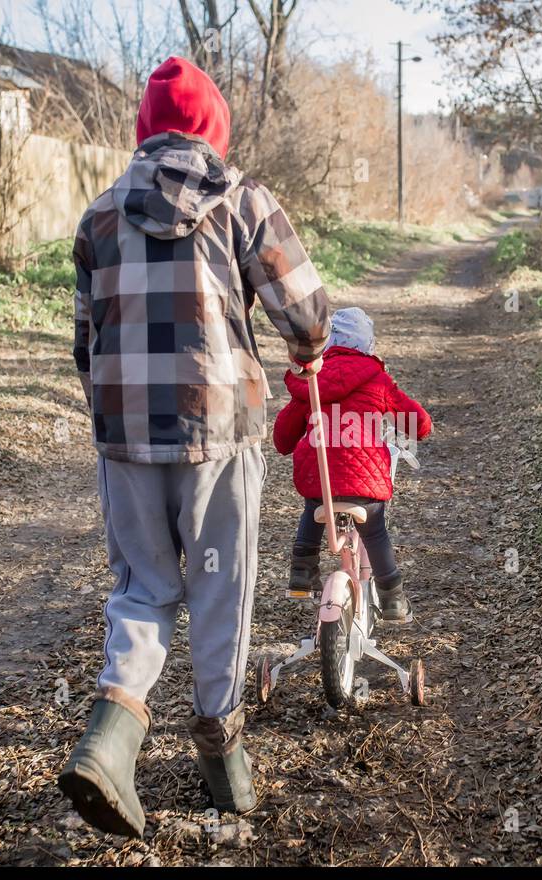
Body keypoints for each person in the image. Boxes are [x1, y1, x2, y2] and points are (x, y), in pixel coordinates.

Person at [59, 56, 330, 836]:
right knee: (220, 589)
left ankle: (111, 739)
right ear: (214, 129)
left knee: (143, 589)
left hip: (124, 439)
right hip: (218, 433)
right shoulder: (242, 200)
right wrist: (302, 348)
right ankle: (223, 763)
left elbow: (86, 344)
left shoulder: (99, 214)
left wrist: (117, 422)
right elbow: (309, 314)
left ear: (145, 131)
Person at [272, 307, 432, 621]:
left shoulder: (312, 383)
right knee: (374, 531)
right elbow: (420, 424)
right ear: (368, 345)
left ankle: (301, 571)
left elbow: (282, 439)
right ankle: (392, 597)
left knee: (314, 503)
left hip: (319, 478)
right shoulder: (377, 378)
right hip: (365, 482)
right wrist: (414, 427)